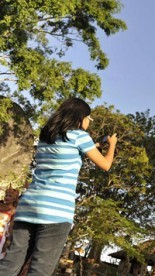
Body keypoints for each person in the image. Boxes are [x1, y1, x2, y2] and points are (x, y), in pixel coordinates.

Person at [0, 97, 118, 275]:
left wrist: (95, 146)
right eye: (89, 118)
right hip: (55, 211)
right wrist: (112, 145)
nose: (88, 122)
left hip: (28, 206)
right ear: (80, 117)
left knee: (10, 265)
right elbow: (106, 164)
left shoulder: (47, 137)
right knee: (40, 270)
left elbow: (66, 154)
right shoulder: (79, 136)